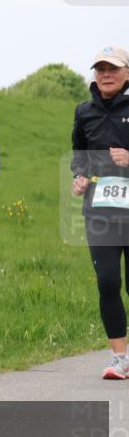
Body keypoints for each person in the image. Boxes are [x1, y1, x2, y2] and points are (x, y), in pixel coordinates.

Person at [70, 45, 129, 379]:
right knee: (108, 282)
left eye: (114, 68)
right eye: (100, 68)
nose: (106, 74)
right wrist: (78, 177)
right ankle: (120, 358)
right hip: (101, 211)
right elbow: (78, 153)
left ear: (127, 73)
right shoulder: (84, 111)